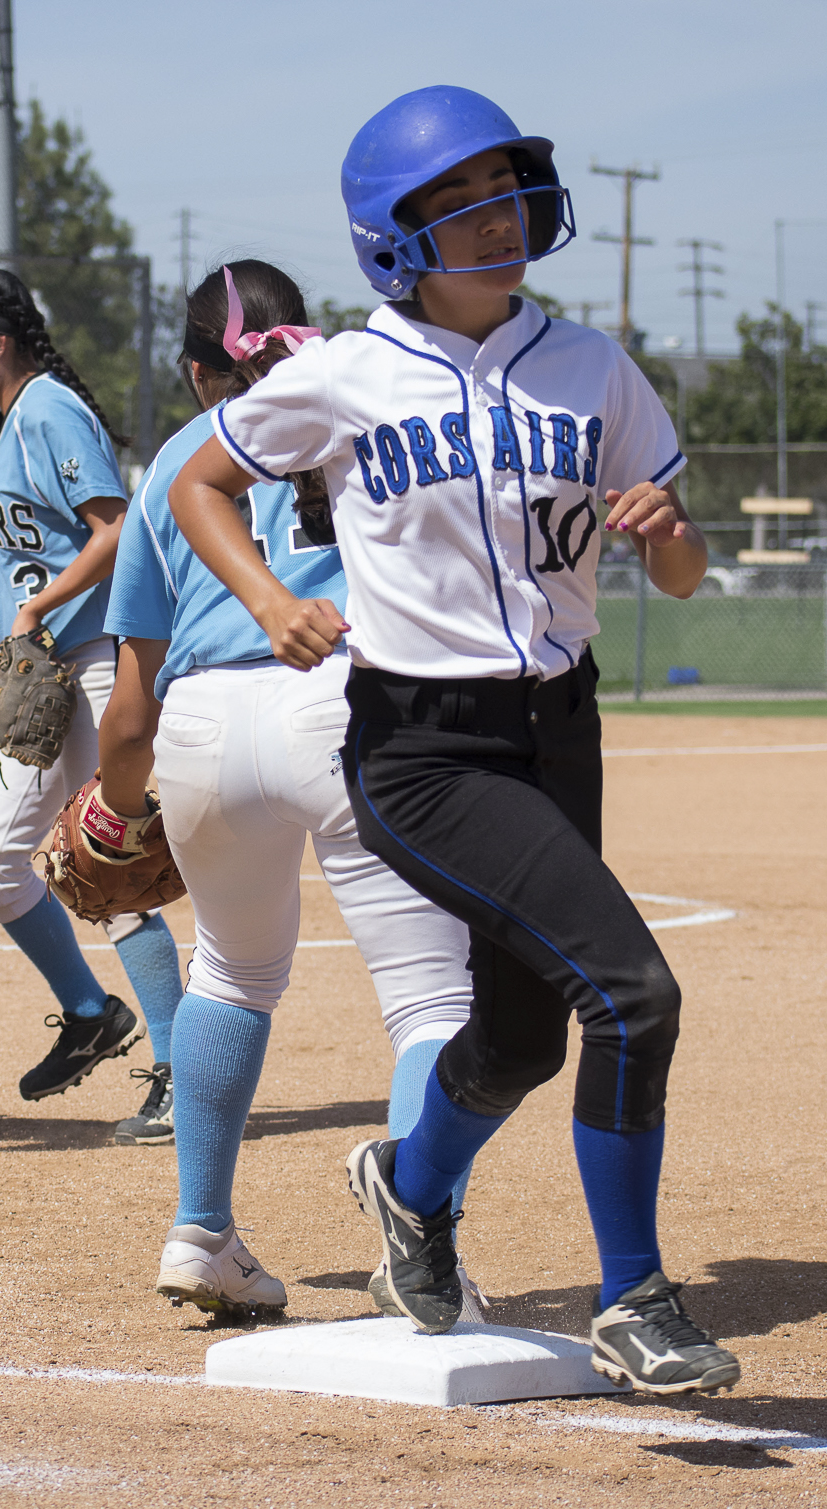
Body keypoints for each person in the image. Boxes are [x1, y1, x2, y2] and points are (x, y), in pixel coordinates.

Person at [166, 87, 741, 1393]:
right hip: (421, 745)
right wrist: (268, 600)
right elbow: (202, 477)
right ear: (393, 237)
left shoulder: (593, 366)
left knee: (523, 1039)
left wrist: (668, 533)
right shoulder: (347, 374)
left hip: (559, 727)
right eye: (459, 201)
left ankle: (408, 1188)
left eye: (506, 189)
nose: (498, 218)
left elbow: (692, 575)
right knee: (635, 992)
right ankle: (636, 1295)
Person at [97, 261, 481, 1320]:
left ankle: (199, 1232)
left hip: (203, 727)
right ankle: (419, 1261)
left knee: (227, 973)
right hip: (341, 703)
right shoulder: (354, 418)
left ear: (193, 373)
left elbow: (129, 704)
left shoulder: (175, 462)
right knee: (430, 996)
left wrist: (113, 805)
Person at [0, 267, 183, 1131]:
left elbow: (116, 526)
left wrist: (39, 606)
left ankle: (165, 1059)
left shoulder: (48, 405)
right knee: (26, 860)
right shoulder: (16, 418)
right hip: (52, 662)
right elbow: (43, 553)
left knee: (98, 862)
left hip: (84, 660)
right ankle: (97, 1017)